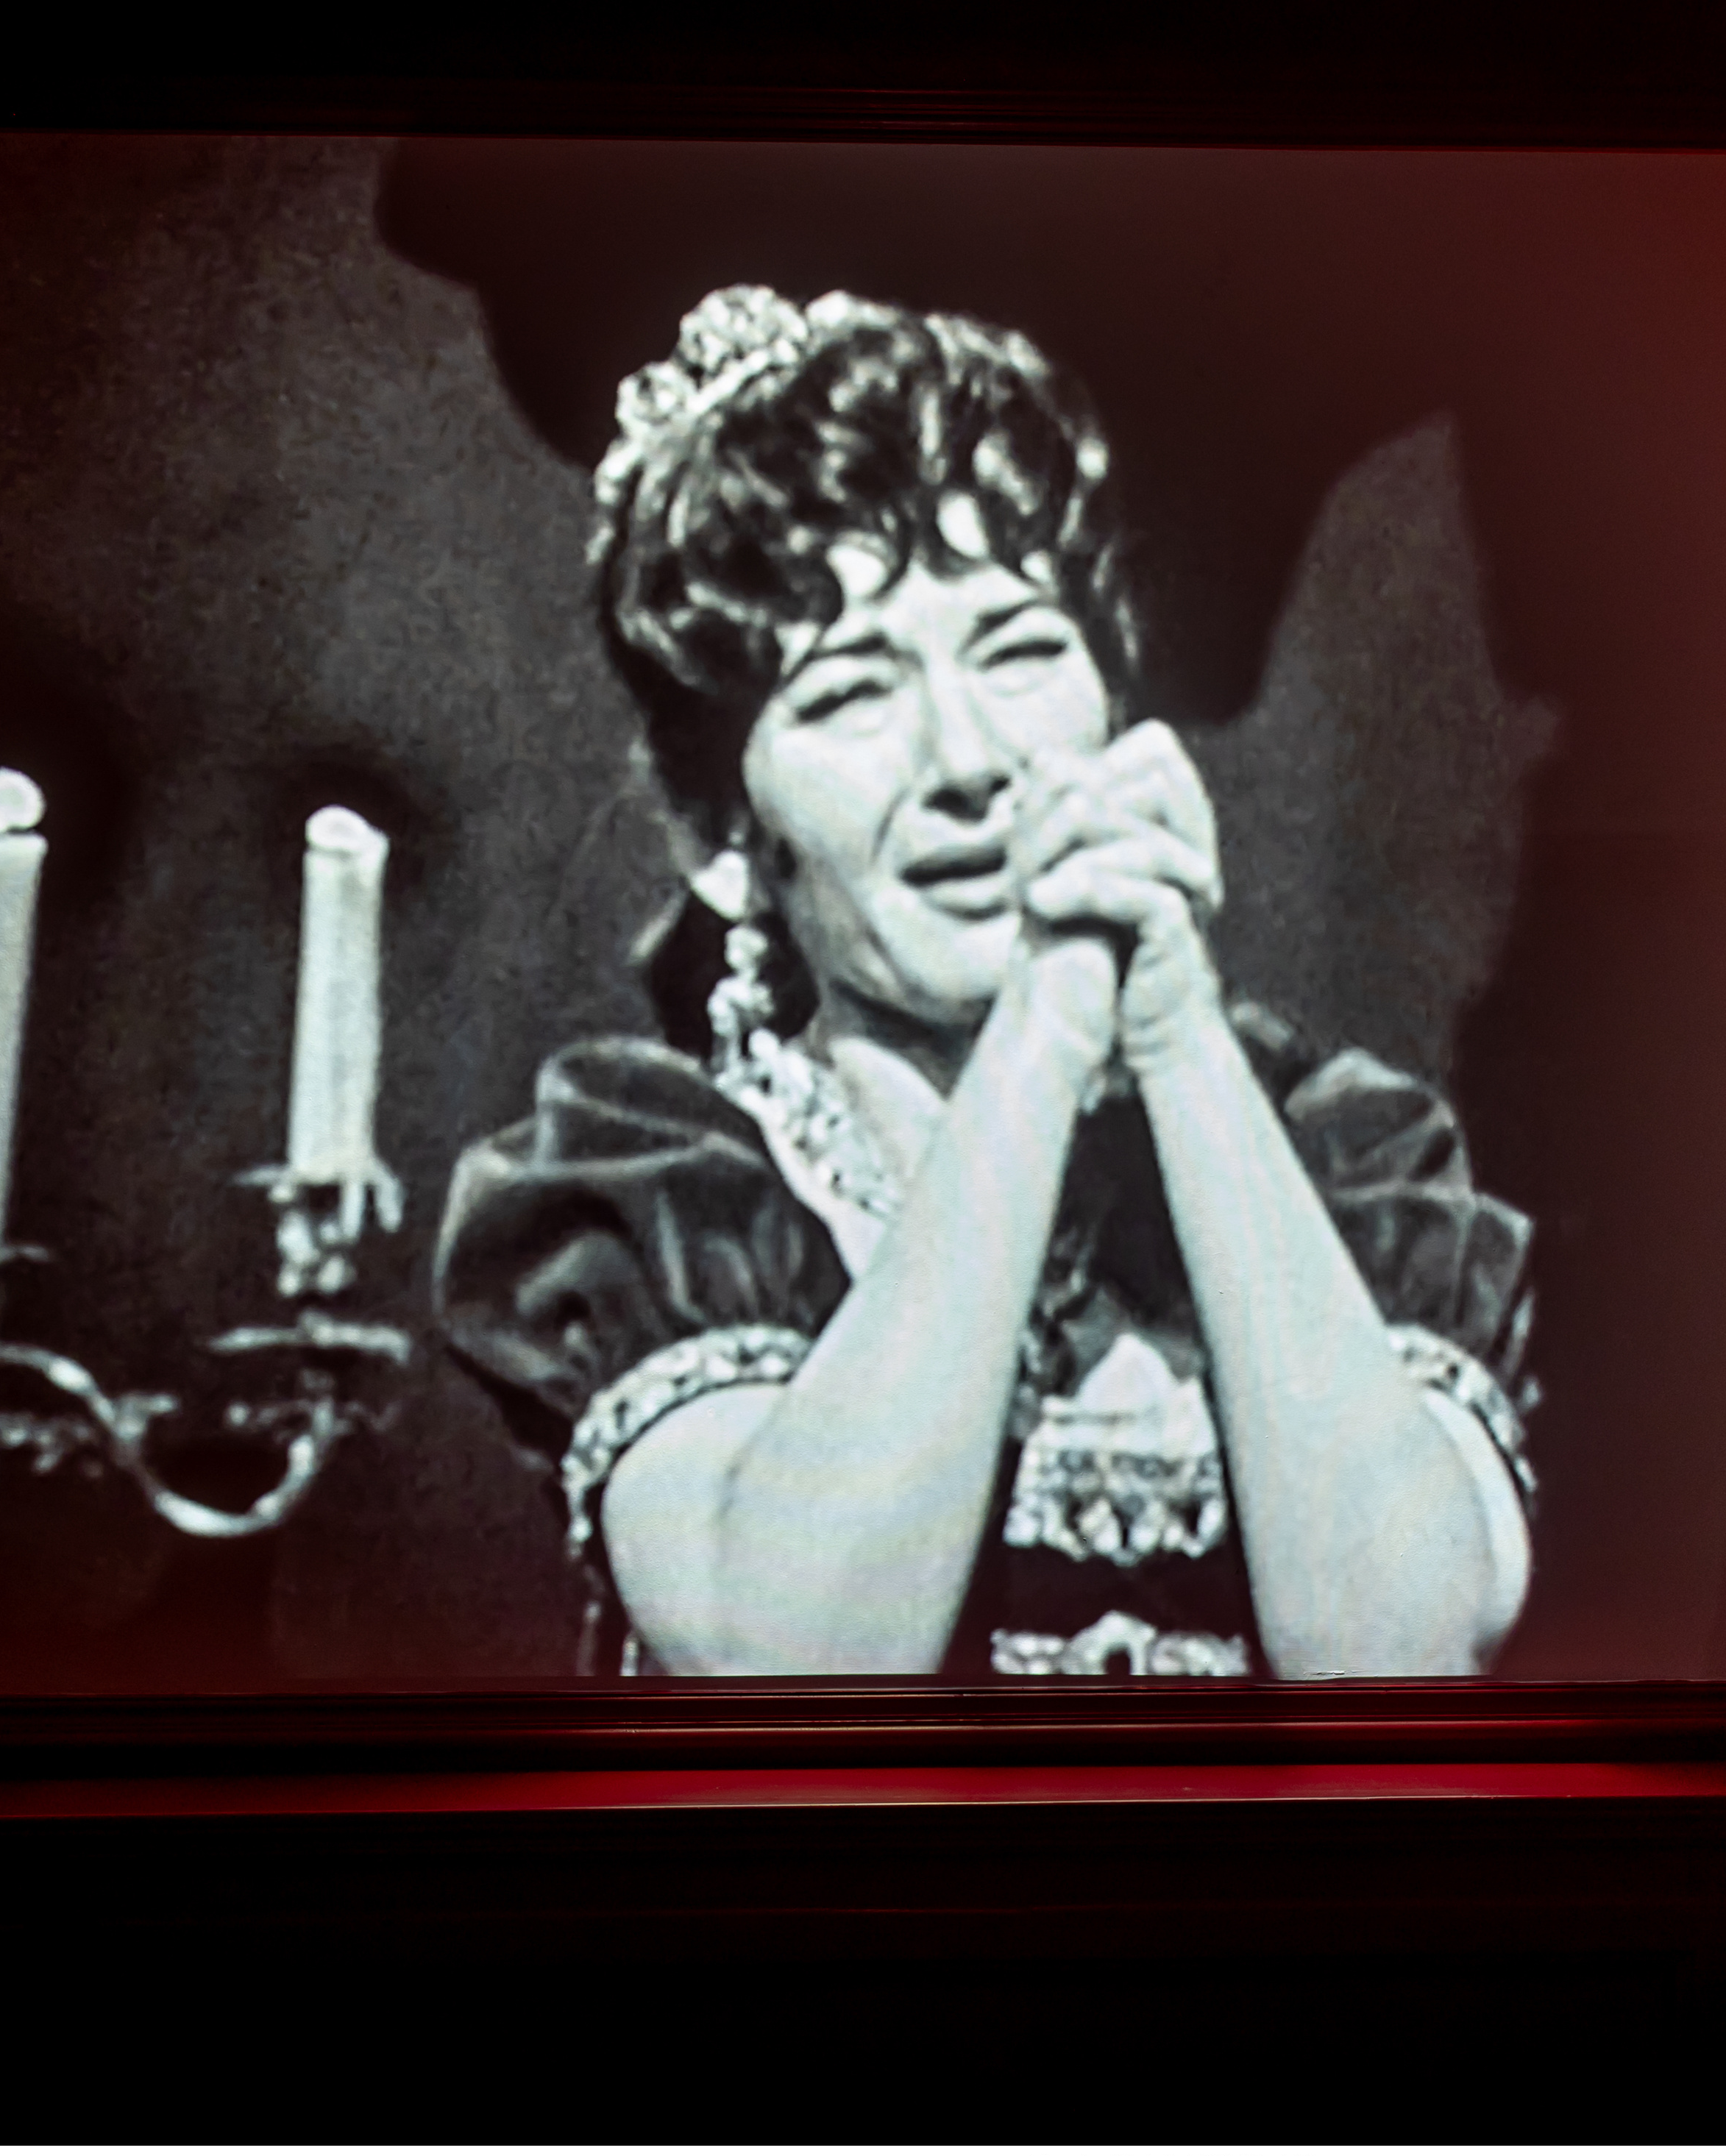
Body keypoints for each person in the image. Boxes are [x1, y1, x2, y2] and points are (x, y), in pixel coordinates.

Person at [435, 285, 1536, 1681]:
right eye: (851, 692)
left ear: (1116, 713)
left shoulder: (1345, 1158)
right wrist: (1046, 1031)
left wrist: (1177, 1037)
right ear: (719, 837)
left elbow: (1402, 1658)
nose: (967, 760)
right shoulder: (660, 1190)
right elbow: (805, 1671)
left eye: (1019, 651)